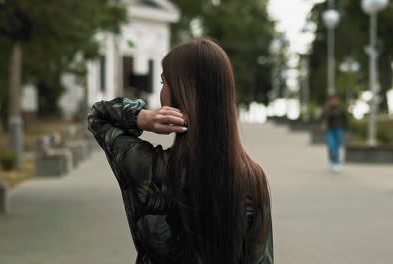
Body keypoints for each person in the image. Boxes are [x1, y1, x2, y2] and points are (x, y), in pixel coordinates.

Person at [88, 38, 273, 264]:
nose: (161, 92)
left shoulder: (148, 168)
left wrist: (141, 117)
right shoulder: (251, 178)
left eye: (164, 83)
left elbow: (98, 116)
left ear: (182, 93)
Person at [320, 95, 349, 173]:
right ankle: (332, 160)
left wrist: (346, 130)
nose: (334, 101)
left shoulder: (341, 109)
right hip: (330, 130)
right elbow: (322, 118)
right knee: (331, 146)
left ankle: (336, 163)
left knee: (337, 147)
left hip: (339, 130)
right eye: (332, 100)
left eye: (336, 100)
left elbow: (345, 120)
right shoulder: (327, 109)